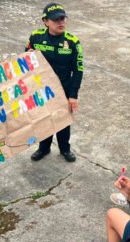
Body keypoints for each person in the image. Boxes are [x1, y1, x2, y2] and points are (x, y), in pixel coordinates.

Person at [25, 2, 83, 162]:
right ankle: (44, 148)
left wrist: (73, 95)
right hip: (41, 88)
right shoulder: (35, 37)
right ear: (45, 21)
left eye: (63, 18)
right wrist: (28, 56)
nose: (61, 22)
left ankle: (65, 149)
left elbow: (78, 70)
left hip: (63, 88)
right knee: (44, 120)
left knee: (63, 121)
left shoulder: (73, 42)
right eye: (56, 19)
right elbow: (25, 62)